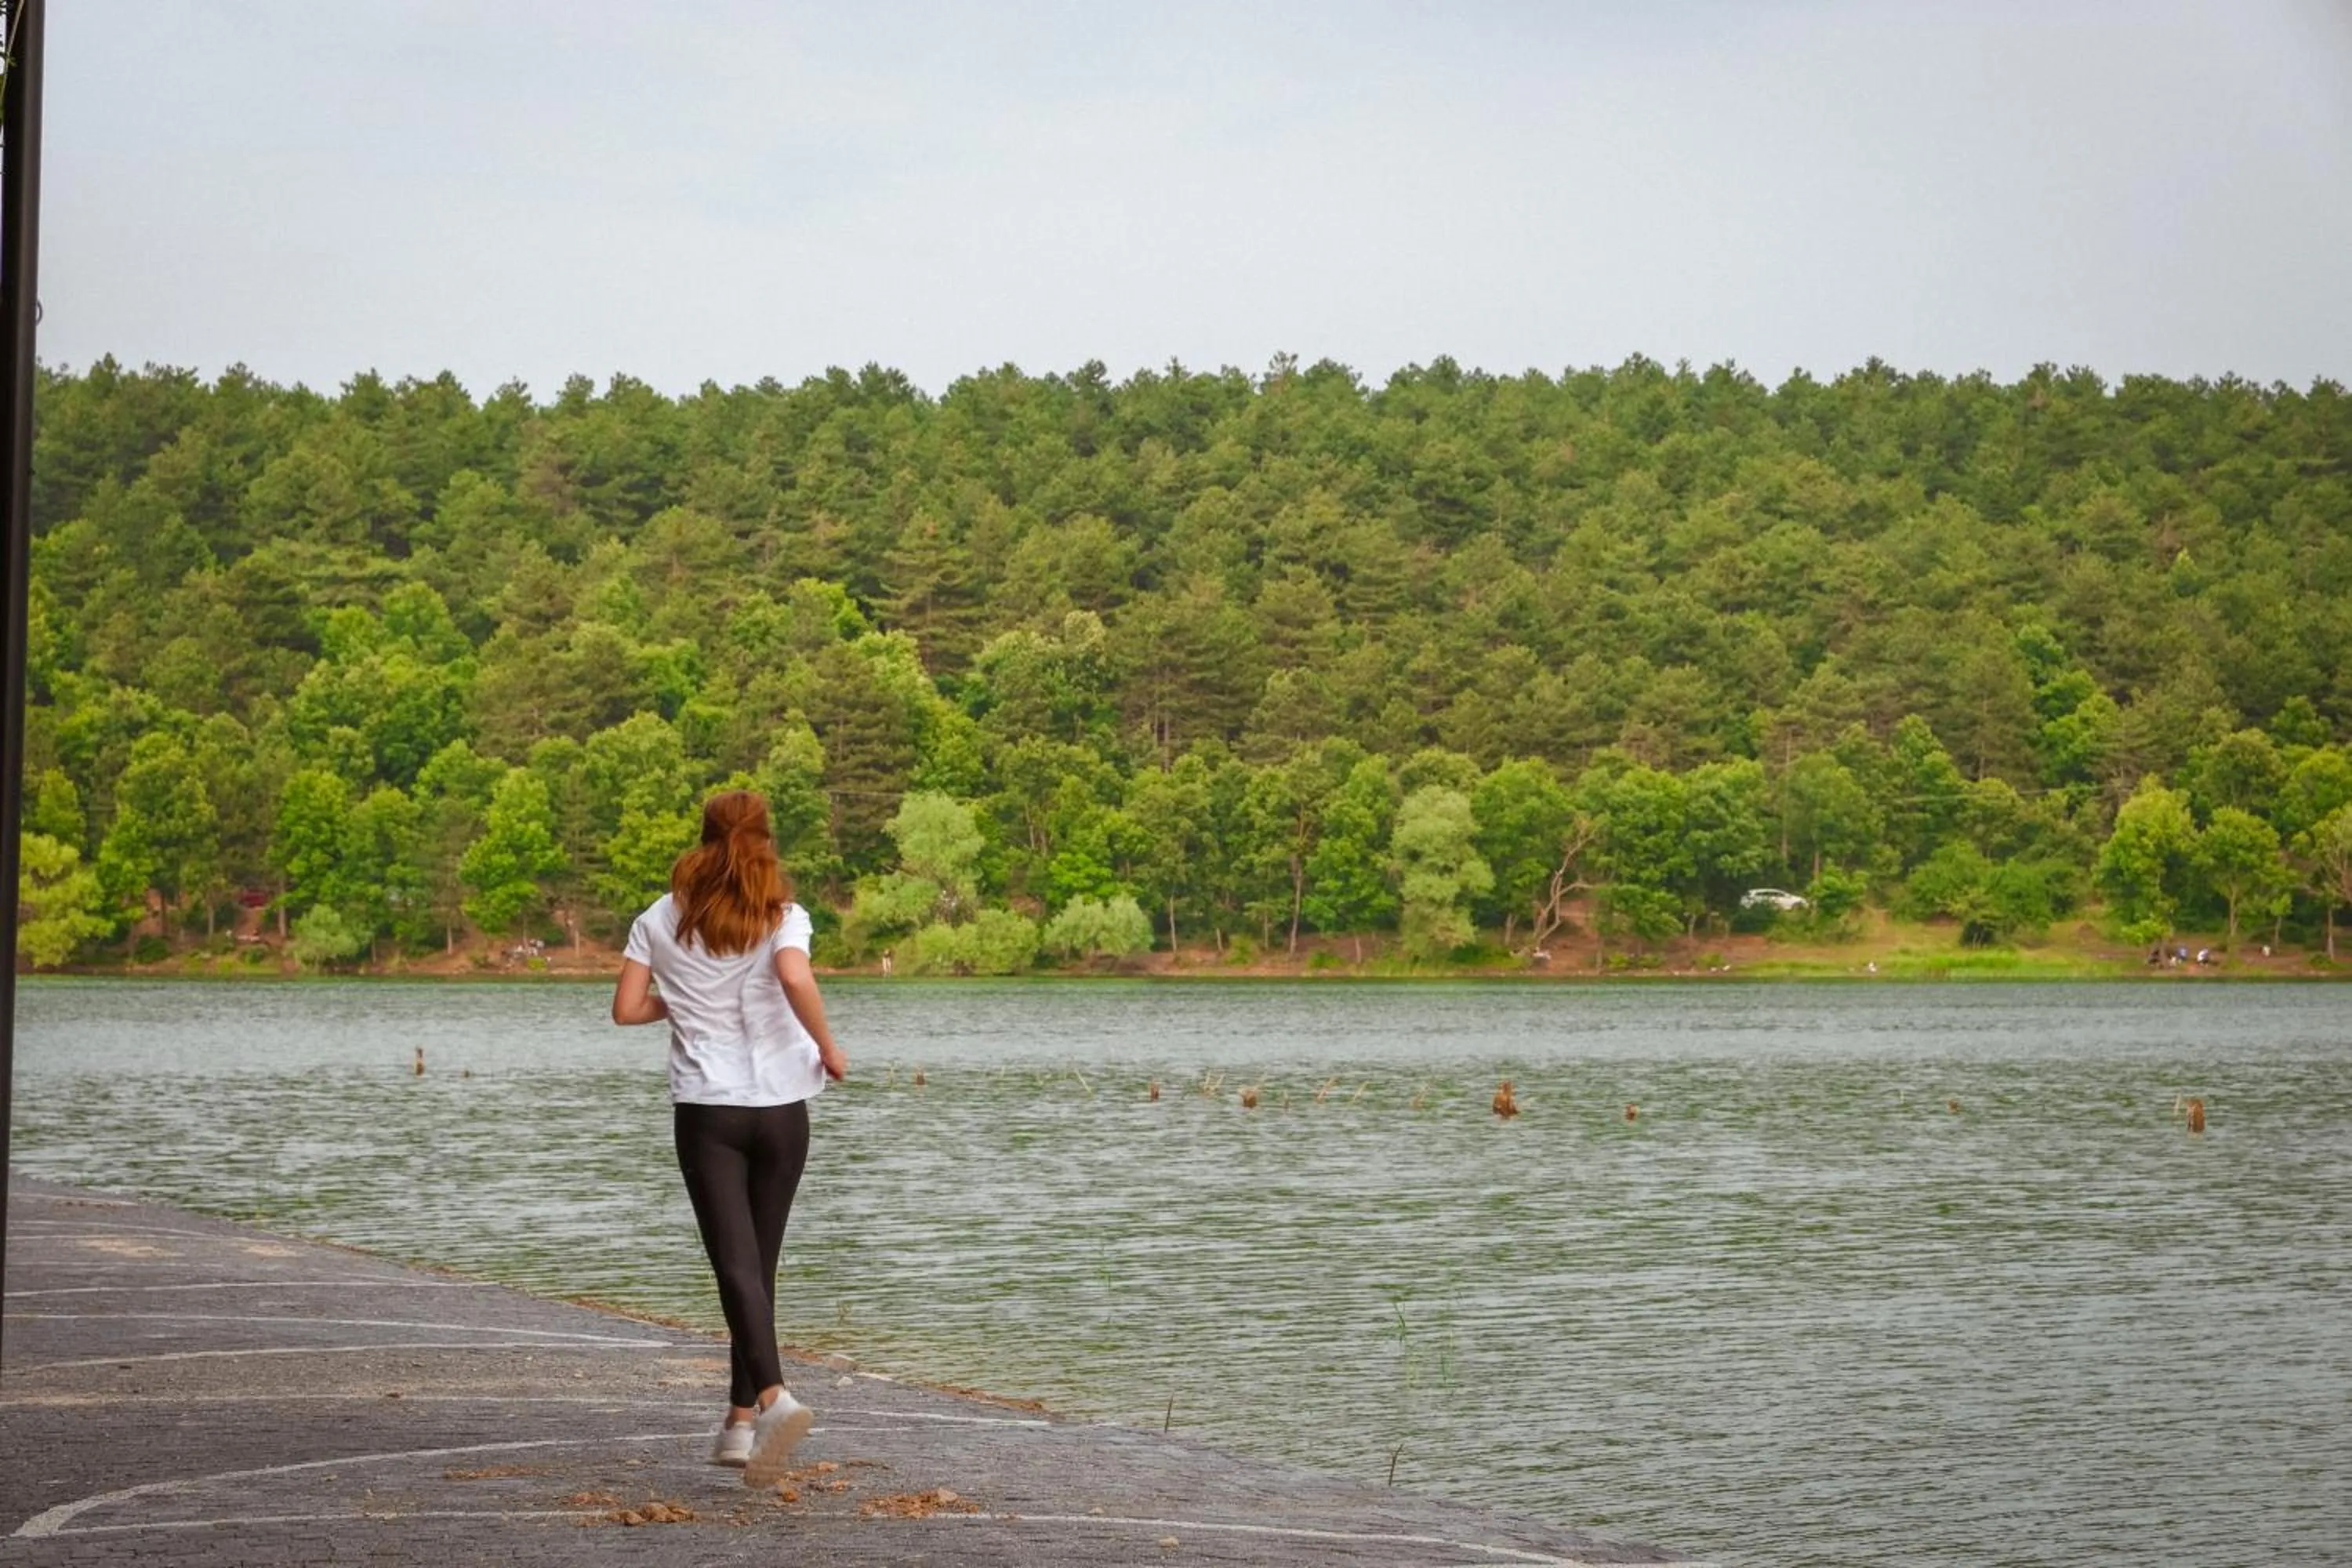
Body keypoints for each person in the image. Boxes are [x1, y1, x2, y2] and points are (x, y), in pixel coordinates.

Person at [611, 789, 848, 1487]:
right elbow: (793, 973)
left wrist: (678, 1002)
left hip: (709, 1112)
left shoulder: (659, 918)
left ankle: (771, 1401)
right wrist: (828, 1047)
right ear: (766, 840)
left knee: (735, 1266)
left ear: (703, 836)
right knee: (757, 1267)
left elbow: (626, 1009)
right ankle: (741, 1424)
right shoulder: (784, 914)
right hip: (781, 1111)